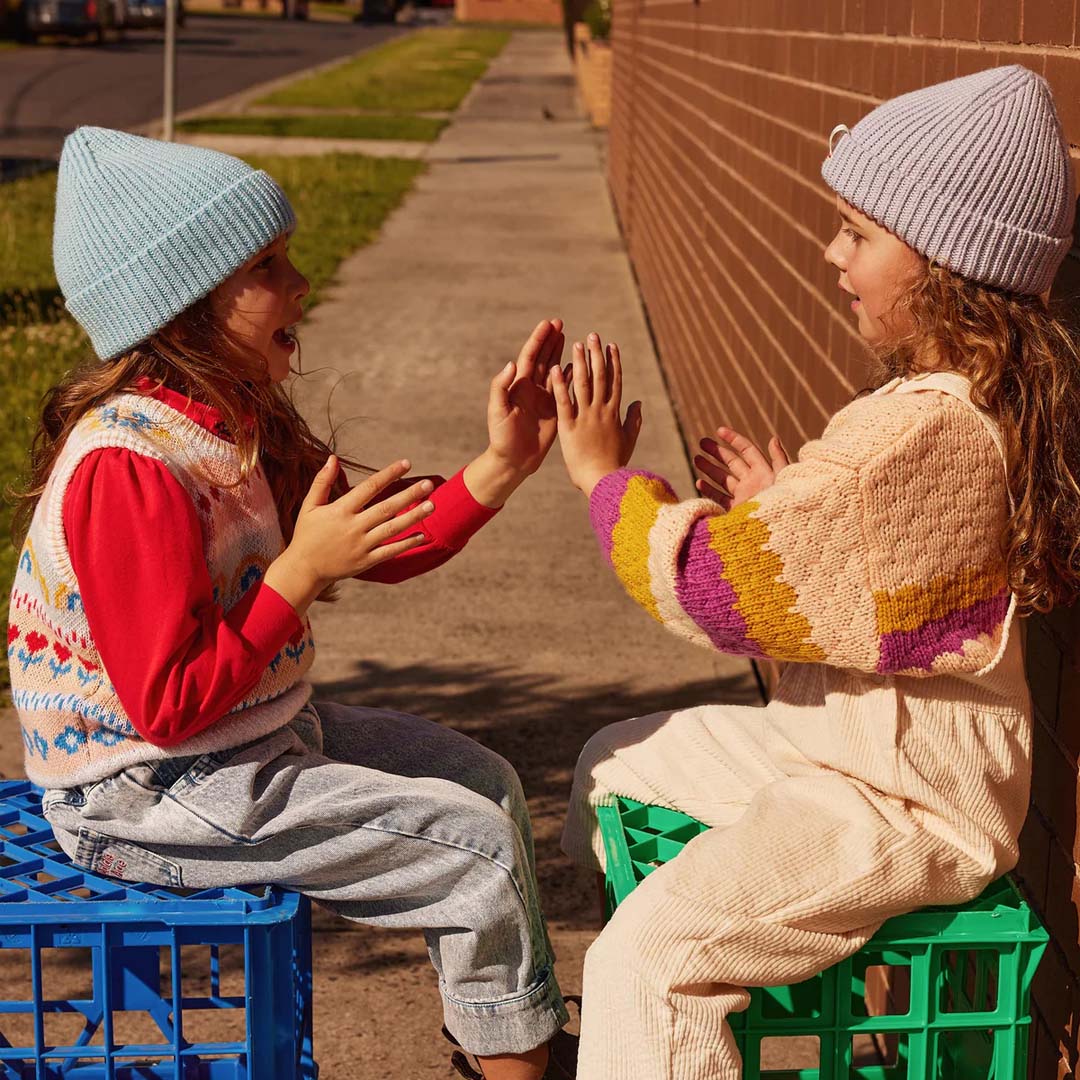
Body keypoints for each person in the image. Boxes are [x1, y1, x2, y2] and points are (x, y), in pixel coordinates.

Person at [8, 127, 576, 1080]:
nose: (301, 284)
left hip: (244, 741)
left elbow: (376, 538)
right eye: (267, 266)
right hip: (140, 794)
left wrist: (501, 464)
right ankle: (520, 1064)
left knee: (484, 785)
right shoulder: (128, 467)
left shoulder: (233, 419)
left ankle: (505, 1037)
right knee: (471, 852)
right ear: (186, 307)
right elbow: (167, 705)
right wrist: (296, 575)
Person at [552, 65, 1080, 1078]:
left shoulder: (916, 434)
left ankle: (653, 1020)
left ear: (946, 265)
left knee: (649, 961)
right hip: (833, 751)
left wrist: (603, 480)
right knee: (610, 764)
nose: (833, 253)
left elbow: (712, 588)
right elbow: (874, 580)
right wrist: (784, 508)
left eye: (858, 233)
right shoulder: (946, 405)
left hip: (908, 804)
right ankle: (649, 1041)